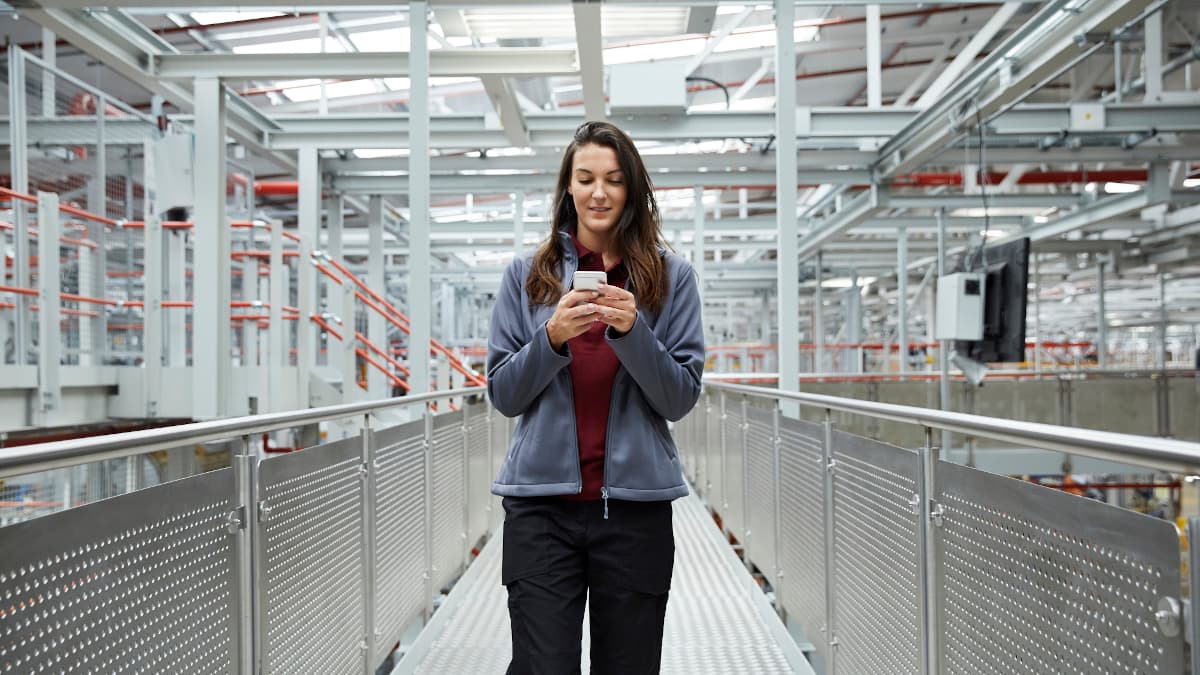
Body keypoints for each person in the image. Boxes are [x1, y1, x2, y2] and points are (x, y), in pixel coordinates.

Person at [486, 120, 704, 674]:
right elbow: (504, 394)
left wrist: (635, 334)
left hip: (635, 510)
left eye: (612, 179)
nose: (598, 192)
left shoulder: (671, 278)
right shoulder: (527, 277)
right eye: (585, 178)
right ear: (568, 188)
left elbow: (679, 398)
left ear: (632, 188)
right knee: (543, 666)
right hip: (540, 508)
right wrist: (551, 337)